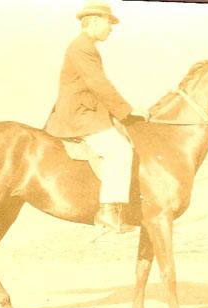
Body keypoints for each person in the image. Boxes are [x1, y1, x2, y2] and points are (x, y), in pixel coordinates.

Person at [44, 0, 148, 233]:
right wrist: (127, 111)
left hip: (87, 110)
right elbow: (98, 84)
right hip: (80, 114)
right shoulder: (82, 46)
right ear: (95, 21)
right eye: (108, 23)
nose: (110, 28)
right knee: (119, 151)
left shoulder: (85, 46)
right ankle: (108, 212)